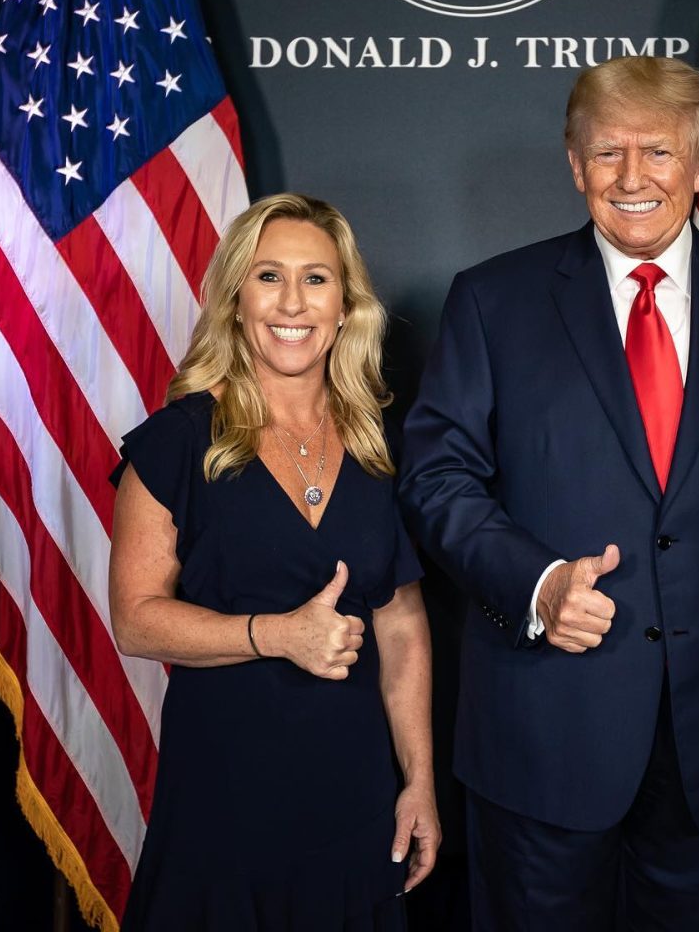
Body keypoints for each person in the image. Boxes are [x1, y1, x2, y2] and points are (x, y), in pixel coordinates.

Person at [399, 56, 699, 931]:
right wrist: (536, 584)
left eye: (658, 152)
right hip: (542, 733)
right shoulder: (494, 302)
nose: (633, 178)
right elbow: (434, 476)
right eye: (607, 154)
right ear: (575, 167)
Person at [109, 193, 440, 930]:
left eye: (316, 279)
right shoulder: (178, 441)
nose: (293, 302)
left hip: (354, 799)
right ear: (235, 298)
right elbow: (135, 620)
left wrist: (418, 780)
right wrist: (277, 634)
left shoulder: (377, 445)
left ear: (347, 305)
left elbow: (403, 627)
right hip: (225, 797)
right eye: (269, 277)